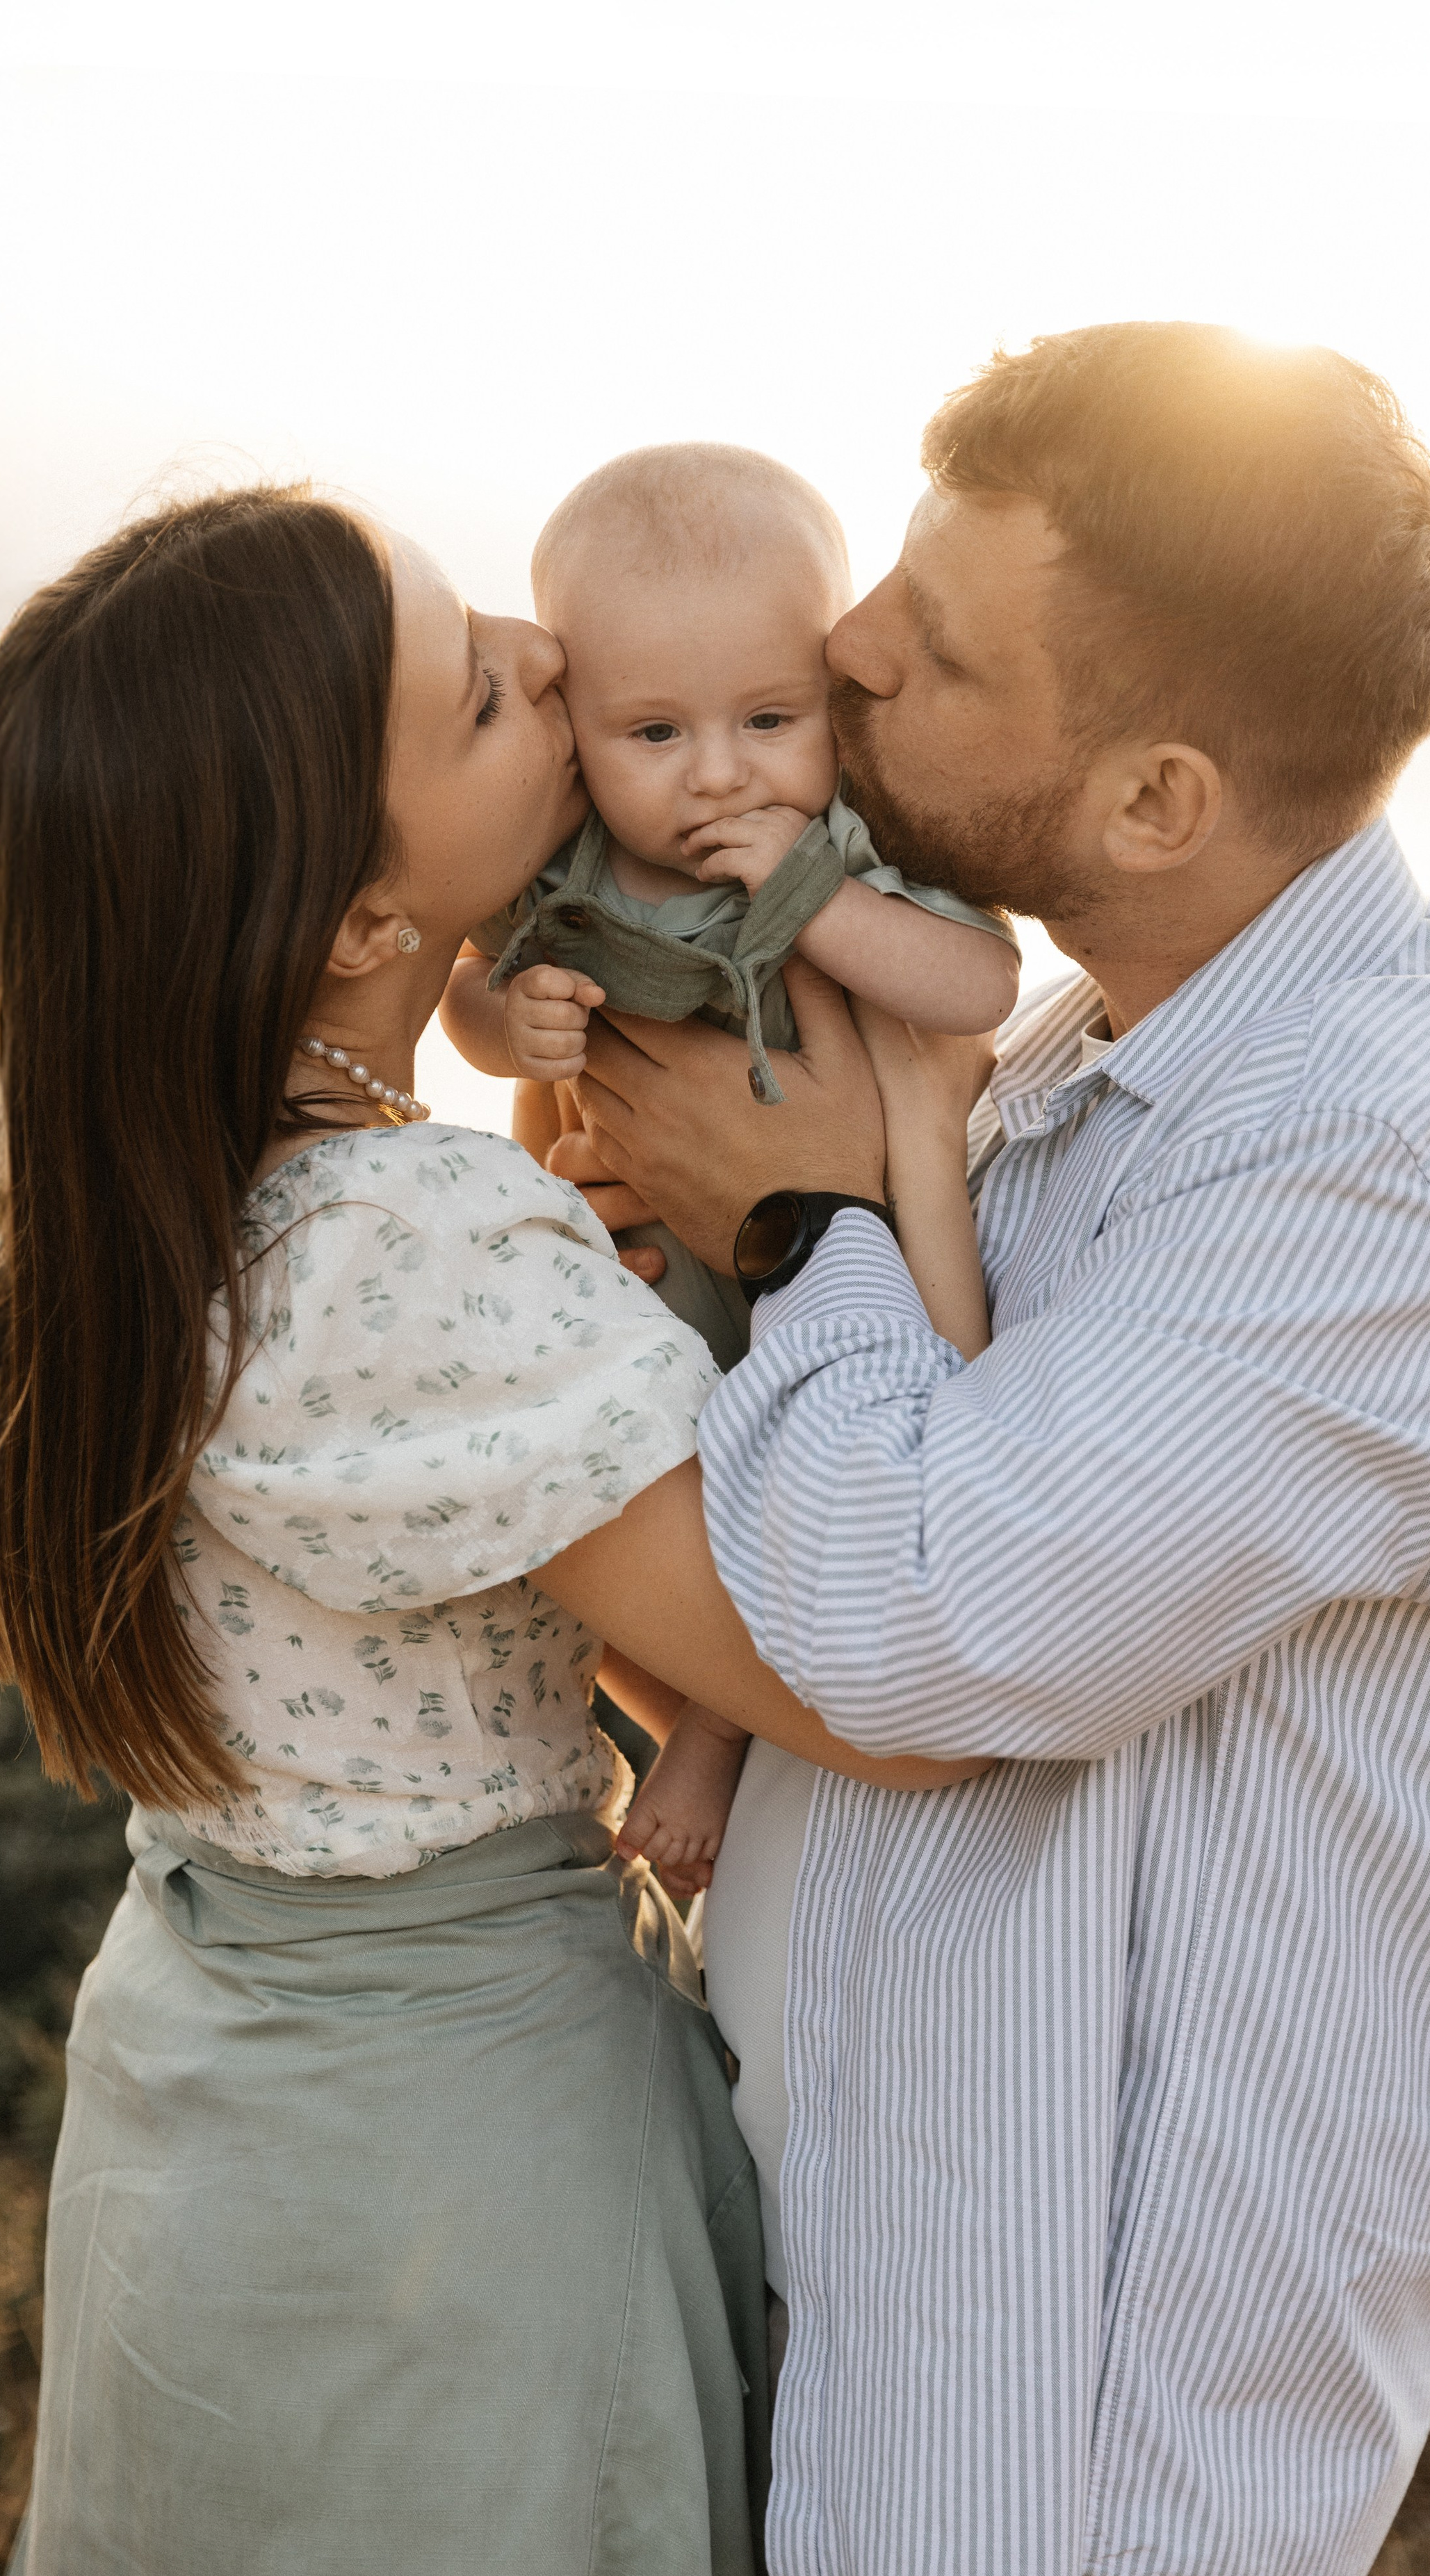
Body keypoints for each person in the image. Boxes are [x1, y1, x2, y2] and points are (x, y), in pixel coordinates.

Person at [558, 326, 1430, 2576]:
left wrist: (797, 1222)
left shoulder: (1403, 1152)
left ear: (1155, 800)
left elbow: (915, 1619)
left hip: (1090, 2483)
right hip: (897, 2379)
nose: (840, 646)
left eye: (934, 650)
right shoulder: (1084, 1062)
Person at [0, 484, 982, 2576]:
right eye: (481, 687)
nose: (543, 650)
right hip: (446, 2173)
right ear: (349, 921)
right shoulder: (405, 1246)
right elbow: (877, 1673)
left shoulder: (170, 1219)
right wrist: (828, 1210)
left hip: (216, 2128)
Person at [441, 443, 1011, 1893]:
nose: (716, 774)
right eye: (652, 734)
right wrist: (512, 1023)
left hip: (843, 1244)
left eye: (769, 717)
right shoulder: (562, 862)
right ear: (576, 728)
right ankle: (694, 1706)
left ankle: (710, 1735)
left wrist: (816, 906)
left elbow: (973, 984)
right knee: (678, 1471)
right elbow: (468, 994)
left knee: (855, 1458)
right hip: (654, 1273)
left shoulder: (842, 844)